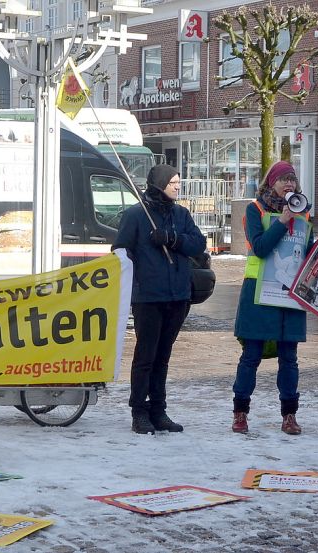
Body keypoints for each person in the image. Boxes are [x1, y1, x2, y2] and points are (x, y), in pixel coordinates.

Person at [232, 160, 318, 435]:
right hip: (259, 293)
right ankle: (240, 412)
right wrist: (282, 221)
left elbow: (308, 257)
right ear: (271, 183)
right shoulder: (255, 210)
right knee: (251, 355)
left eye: (293, 180)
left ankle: (289, 415)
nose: (289, 184)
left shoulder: (304, 213)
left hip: (289, 295)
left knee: (289, 358)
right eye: (283, 180)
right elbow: (262, 248)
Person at [112, 165, 206, 435]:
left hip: (177, 295)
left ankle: (158, 409)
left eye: (179, 182)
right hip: (148, 297)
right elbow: (120, 249)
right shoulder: (136, 216)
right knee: (145, 356)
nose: (178, 186)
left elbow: (197, 244)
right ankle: (138, 411)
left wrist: (172, 239)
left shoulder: (181, 214)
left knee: (163, 356)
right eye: (173, 182)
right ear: (160, 184)